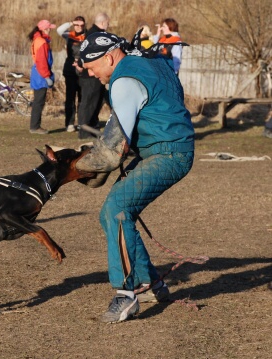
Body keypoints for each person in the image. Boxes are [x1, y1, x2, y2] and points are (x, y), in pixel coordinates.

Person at [76, 31, 194, 323]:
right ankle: (150, 284)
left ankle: (125, 296)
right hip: (168, 148)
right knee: (111, 213)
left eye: (91, 67)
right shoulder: (151, 63)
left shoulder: (124, 80)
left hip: (167, 154)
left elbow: (114, 149)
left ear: (109, 57)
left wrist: (76, 169)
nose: (91, 74)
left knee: (118, 210)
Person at [75, 12, 110, 139]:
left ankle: (93, 128)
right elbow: (86, 53)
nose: (108, 25)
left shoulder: (91, 34)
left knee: (95, 102)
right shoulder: (96, 35)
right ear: (102, 22)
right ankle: (84, 132)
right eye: (107, 23)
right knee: (88, 103)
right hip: (90, 76)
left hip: (94, 74)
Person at [57, 16, 86, 133]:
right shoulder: (69, 34)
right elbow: (59, 30)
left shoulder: (88, 36)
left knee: (82, 99)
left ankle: (81, 123)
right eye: (77, 25)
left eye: (81, 25)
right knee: (70, 98)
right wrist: (71, 22)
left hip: (83, 70)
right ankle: (69, 123)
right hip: (70, 70)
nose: (79, 27)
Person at [28, 19, 56, 134]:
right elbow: (42, 61)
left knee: (38, 101)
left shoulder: (38, 40)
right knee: (39, 102)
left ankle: (35, 126)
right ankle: (35, 127)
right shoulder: (42, 42)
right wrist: (47, 76)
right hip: (41, 75)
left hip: (37, 73)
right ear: (44, 29)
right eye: (49, 28)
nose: (50, 30)